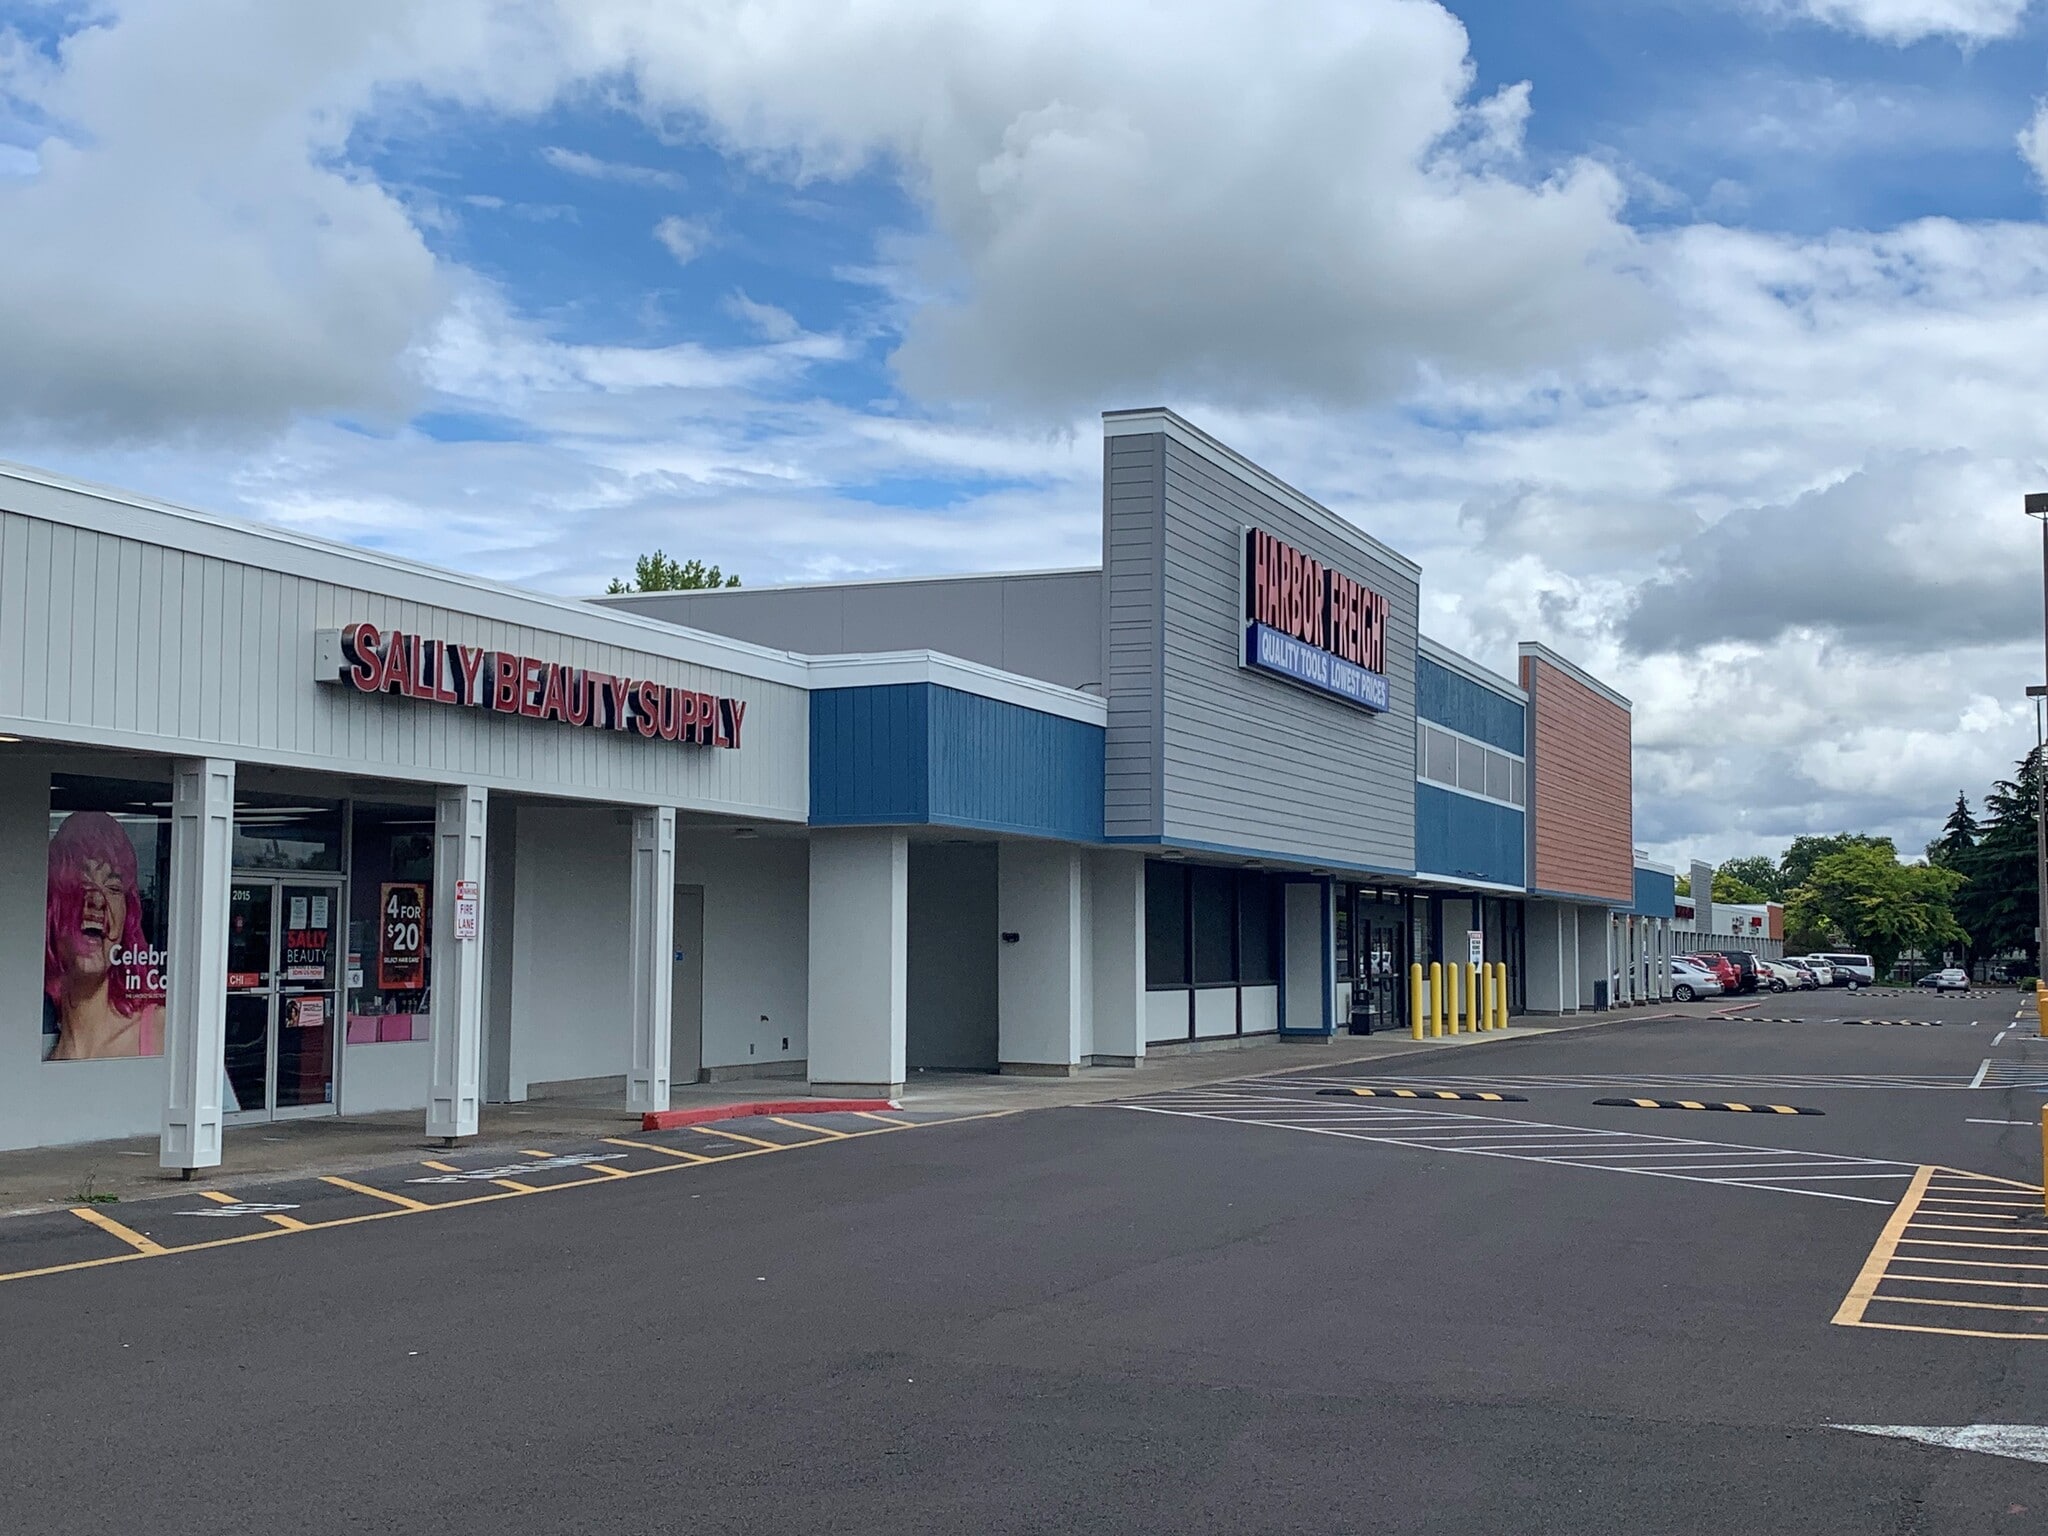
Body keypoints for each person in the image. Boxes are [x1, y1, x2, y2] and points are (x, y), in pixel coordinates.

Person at [44, 810, 165, 1060]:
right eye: (80, 883)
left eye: (113, 887)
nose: (97, 899)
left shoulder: (163, 1032)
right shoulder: (31, 1052)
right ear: (51, 906)